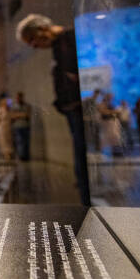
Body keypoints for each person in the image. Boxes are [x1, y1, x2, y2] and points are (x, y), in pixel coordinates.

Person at [16, 13, 90, 206]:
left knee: (82, 157)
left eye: (32, 41)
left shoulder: (69, 39)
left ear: (41, 30)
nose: (33, 47)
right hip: (71, 108)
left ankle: (87, 202)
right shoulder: (59, 46)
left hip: (78, 108)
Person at [10, 91, 31, 161]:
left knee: (26, 142)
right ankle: (21, 156)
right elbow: (12, 116)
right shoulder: (14, 106)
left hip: (25, 125)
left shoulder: (27, 105)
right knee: (19, 141)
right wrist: (21, 115)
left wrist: (18, 115)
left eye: (20, 97)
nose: (18, 99)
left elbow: (27, 115)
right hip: (17, 126)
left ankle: (26, 156)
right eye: (17, 98)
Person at [0, 94, 14, 160]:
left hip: (8, 126)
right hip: (1, 127)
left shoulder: (8, 110)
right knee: (3, 140)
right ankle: (6, 153)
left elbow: (11, 118)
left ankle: (10, 152)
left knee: (9, 140)